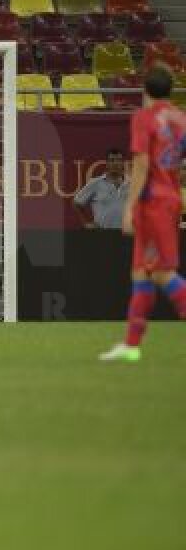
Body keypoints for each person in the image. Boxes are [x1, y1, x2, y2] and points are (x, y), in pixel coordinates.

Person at [99, 69, 186, 362]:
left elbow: (141, 164)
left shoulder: (144, 117)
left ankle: (131, 345)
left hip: (153, 203)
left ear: (144, 90)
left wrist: (129, 207)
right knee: (141, 272)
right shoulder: (179, 118)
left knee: (161, 273)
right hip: (171, 198)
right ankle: (131, 345)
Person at [73, 148, 129, 230]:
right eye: (112, 160)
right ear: (107, 163)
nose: (115, 163)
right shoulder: (95, 183)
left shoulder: (131, 184)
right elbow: (77, 203)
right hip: (102, 234)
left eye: (118, 160)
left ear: (123, 163)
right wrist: (87, 223)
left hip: (126, 233)